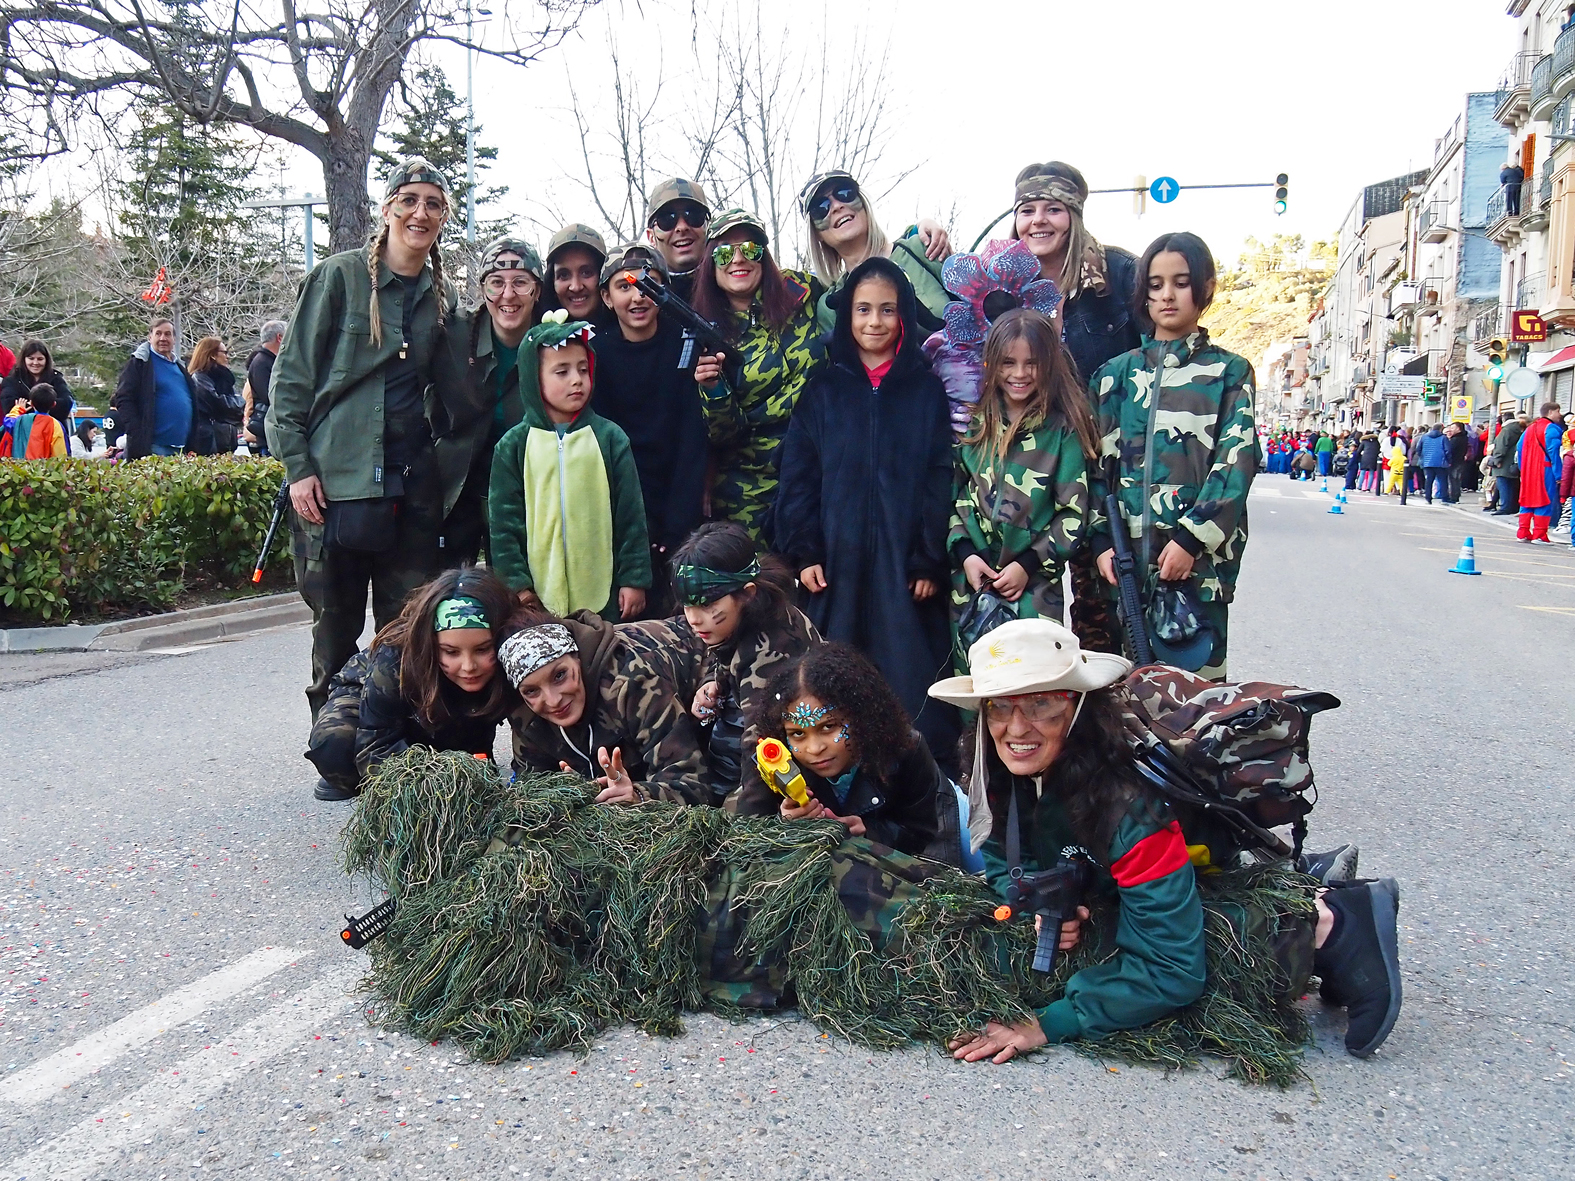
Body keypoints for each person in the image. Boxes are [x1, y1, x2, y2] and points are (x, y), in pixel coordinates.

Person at [933, 618, 1403, 1064]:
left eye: (1041, 705)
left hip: (1183, 855)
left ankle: (1336, 926)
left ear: (1077, 708)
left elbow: (1171, 970)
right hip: (1109, 867)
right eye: (1000, 705)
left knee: (1200, 945)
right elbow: (998, 855)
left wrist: (1048, 1024)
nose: (1016, 729)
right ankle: (1320, 892)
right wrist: (1038, 897)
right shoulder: (988, 763)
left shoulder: (1127, 809)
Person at [266, 157, 455, 719]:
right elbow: (291, 379)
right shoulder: (339, 277)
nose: (420, 213)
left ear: (443, 217)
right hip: (336, 487)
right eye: (409, 200)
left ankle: (391, 739)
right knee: (336, 622)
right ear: (388, 208)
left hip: (410, 488)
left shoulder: (439, 299)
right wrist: (298, 468)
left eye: (433, 204)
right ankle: (335, 743)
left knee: (405, 624)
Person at [774, 257, 957, 764]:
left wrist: (927, 558)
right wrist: (804, 549)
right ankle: (831, 788)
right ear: (847, 316)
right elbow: (798, 478)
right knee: (829, 681)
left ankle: (927, 789)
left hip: (905, 574)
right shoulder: (823, 392)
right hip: (837, 570)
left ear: (904, 317)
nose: (874, 321)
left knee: (915, 690)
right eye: (862, 310)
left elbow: (939, 477)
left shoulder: (925, 393)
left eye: (887, 310)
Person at [1087, 232, 1256, 680]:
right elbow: (1095, 469)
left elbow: (1235, 461)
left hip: (1194, 574)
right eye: (1156, 284)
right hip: (1121, 570)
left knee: (1195, 701)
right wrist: (1103, 542)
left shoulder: (1227, 371)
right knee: (1120, 704)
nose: (1167, 295)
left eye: (1180, 282)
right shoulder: (1114, 376)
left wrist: (1191, 540)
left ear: (1203, 288)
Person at [1009, 162, 1142, 663]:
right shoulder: (1004, 279)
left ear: (1076, 215)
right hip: (1030, 470)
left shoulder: (1119, 275)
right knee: (1031, 622)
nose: (1039, 221)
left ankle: (1113, 729)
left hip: (1103, 470)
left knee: (1102, 618)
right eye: (1027, 210)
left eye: (1054, 209)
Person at [305, 566, 521, 800]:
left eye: (482, 649)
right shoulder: (394, 656)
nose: (468, 666)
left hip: (451, 706)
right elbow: (375, 748)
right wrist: (432, 782)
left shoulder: (515, 650)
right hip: (370, 694)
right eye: (450, 651)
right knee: (336, 750)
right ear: (430, 644)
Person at [487, 312, 651, 621]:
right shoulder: (514, 446)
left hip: (604, 597)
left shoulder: (610, 439)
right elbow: (503, 527)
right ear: (534, 378)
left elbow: (631, 515)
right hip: (537, 601)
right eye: (561, 372)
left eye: (582, 369)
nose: (577, 380)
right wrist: (518, 588)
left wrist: (634, 578)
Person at [950, 308, 1098, 648]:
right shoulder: (973, 426)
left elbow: (1073, 515)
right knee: (975, 686)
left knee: (1031, 686)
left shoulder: (1063, 432)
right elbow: (953, 499)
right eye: (1007, 363)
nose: (1019, 373)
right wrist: (966, 554)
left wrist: (1027, 564)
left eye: (1031, 363)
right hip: (971, 587)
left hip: (1034, 591)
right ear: (991, 363)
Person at [691, 208, 827, 542]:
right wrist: (713, 389)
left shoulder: (804, 292)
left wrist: (916, 233)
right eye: (724, 252)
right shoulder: (703, 329)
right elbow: (724, 434)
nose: (738, 259)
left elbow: (861, 283)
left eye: (750, 248)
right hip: (751, 488)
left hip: (822, 472)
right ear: (711, 262)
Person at [736, 641, 941, 857]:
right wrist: (784, 828)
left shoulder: (904, 748)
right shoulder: (771, 759)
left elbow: (922, 834)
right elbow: (742, 844)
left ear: (861, 717)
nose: (815, 748)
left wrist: (868, 835)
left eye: (828, 727)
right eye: (797, 734)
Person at [591, 243, 709, 614]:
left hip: (680, 506)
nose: (637, 296)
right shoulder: (596, 355)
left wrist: (675, 530)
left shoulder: (686, 344)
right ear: (607, 297)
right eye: (624, 286)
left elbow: (692, 443)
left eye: (648, 284)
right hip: (622, 512)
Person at [673, 521, 819, 804]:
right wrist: (713, 682)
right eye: (688, 605)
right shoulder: (748, 616)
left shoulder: (771, 652)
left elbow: (762, 756)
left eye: (706, 604)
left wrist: (733, 836)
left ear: (747, 593)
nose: (693, 618)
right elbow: (727, 652)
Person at [501, 612, 709, 804]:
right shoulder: (525, 714)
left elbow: (693, 785)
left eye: (559, 676)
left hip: (711, 660)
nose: (553, 700)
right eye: (532, 691)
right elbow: (529, 794)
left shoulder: (631, 681)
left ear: (578, 658)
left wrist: (638, 795)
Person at [433, 235, 546, 566]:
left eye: (520, 283)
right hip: (457, 488)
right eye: (496, 283)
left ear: (537, 290)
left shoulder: (553, 344)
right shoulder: (453, 335)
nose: (507, 295)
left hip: (524, 492)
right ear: (483, 289)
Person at [798, 170, 953, 333]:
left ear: (863, 203)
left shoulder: (923, 248)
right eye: (821, 207)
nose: (837, 206)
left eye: (845, 193)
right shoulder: (830, 307)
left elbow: (977, 302)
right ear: (816, 233)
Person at [112, 317, 198, 459]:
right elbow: (123, 398)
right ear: (150, 337)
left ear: (175, 339)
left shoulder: (180, 367)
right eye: (158, 333)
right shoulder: (140, 364)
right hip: (153, 447)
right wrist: (136, 431)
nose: (163, 338)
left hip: (182, 449)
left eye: (168, 334)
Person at [643, 177, 711, 300]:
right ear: (651, 237)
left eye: (694, 215)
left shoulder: (734, 284)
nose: (682, 227)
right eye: (667, 219)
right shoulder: (641, 296)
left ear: (708, 226)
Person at [1, 341, 75, 449]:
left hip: (52, 437)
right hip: (22, 439)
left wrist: (28, 407)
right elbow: (8, 406)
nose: (35, 363)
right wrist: (46, 406)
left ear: (46, 360)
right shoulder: (12, 380)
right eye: (31, 358)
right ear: (24, 359)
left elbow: (66, 403)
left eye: (40, 359)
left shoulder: (56, 379)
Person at [1517, 401, 1565, 544]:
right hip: (1545, 469)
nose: (1559, 415)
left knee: (1527, 499)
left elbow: (1520, 448)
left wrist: (1523, 468)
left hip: (1529, 469)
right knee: (1544, 499)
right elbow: (1554, 453)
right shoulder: (1552, 429)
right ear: (1551, 412)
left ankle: (1523, 532)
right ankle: (1539, 534)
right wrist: (1559, 474)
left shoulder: (1530, 428)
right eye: (1558, 411)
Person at [541, 223, 609, 325]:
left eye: (586, 273)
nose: (576, 287)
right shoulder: (535, 337)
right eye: (564, 275)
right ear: (552, 281)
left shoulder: (631, 332)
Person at [188, 336, 244, 456]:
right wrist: (239, 402)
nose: (227, 357)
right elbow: (219, 403)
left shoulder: (224, 379)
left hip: (224, 439)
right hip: (208, 440)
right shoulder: (199, 378)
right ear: (212, 355)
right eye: (224, 352)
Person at [242, 320, 286, 457]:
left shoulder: (269, 361)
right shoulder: (262, 362)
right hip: (269, 431)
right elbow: (270, 396)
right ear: (280, 338)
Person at [0, 384, 67, 458]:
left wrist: (18, 409)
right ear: (54, 404)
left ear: (31, 403)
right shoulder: (56, 424)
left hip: (18, 466)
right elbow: (60, 453)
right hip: (41, 467)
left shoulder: (20, 420)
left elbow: (8, 422)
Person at [1487, 411, 1525, 515]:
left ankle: (1505, 507)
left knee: (1503, 485)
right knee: (1512, 486)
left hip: (1504, 463)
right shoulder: (1518, 429)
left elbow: (1501, 446)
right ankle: (1512, 506)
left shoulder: (1506, 430)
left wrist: (1497, 460)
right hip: (1513, 462)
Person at [1415, 421, 1450, 505]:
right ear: (1441, 429)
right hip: (1440, 463)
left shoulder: (1424, 437)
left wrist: (1423, 457)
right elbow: (1447, 450)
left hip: (1427, 462)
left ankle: (1428, 498)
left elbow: (1418, 449)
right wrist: (1448, 460)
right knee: (1442, 480)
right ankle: (1444, 499)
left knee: (1429, 481)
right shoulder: (1443, 438)